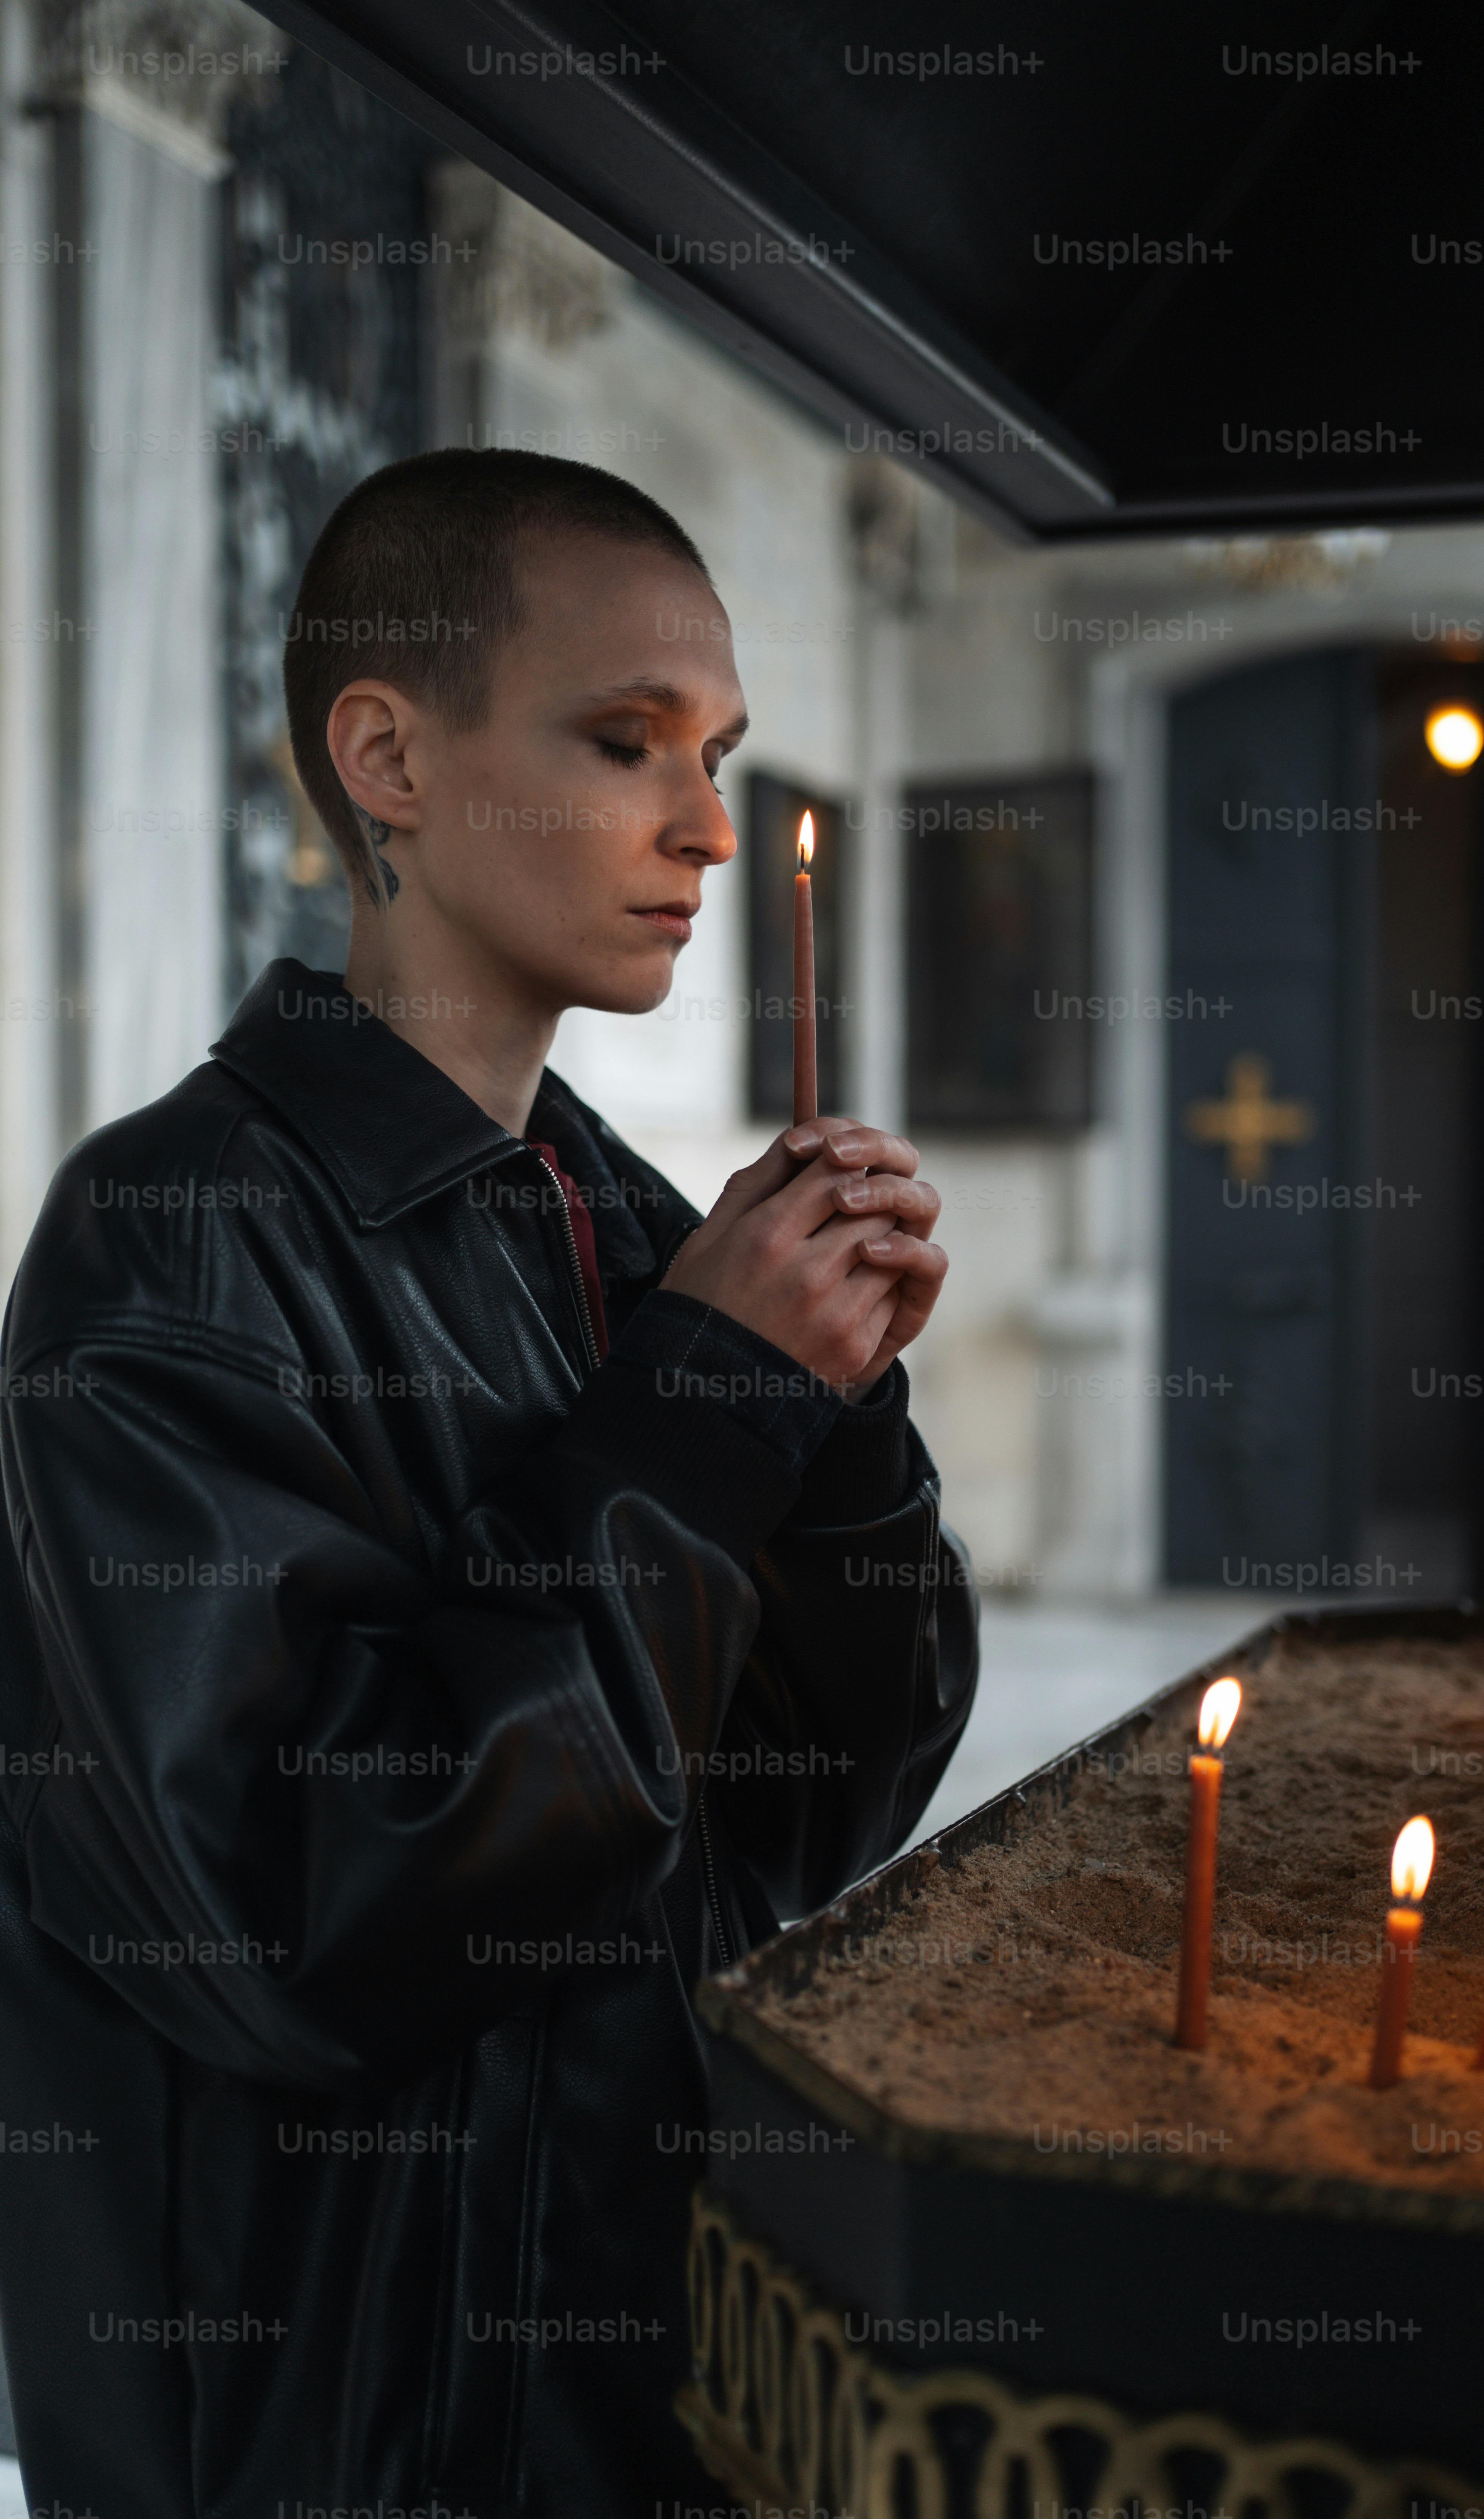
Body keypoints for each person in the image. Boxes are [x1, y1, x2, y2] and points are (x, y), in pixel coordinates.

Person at [0, 450, 977, 2517]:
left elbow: (802, 1821)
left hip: (647, 2369)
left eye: (716, 753)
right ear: (392, 758)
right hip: (340, 2433)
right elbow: (298, 1924)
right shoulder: (179, 1236)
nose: (710, 828)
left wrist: (835, 1405)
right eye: (625, 743)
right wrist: (709, 1409)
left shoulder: (632, 1229)